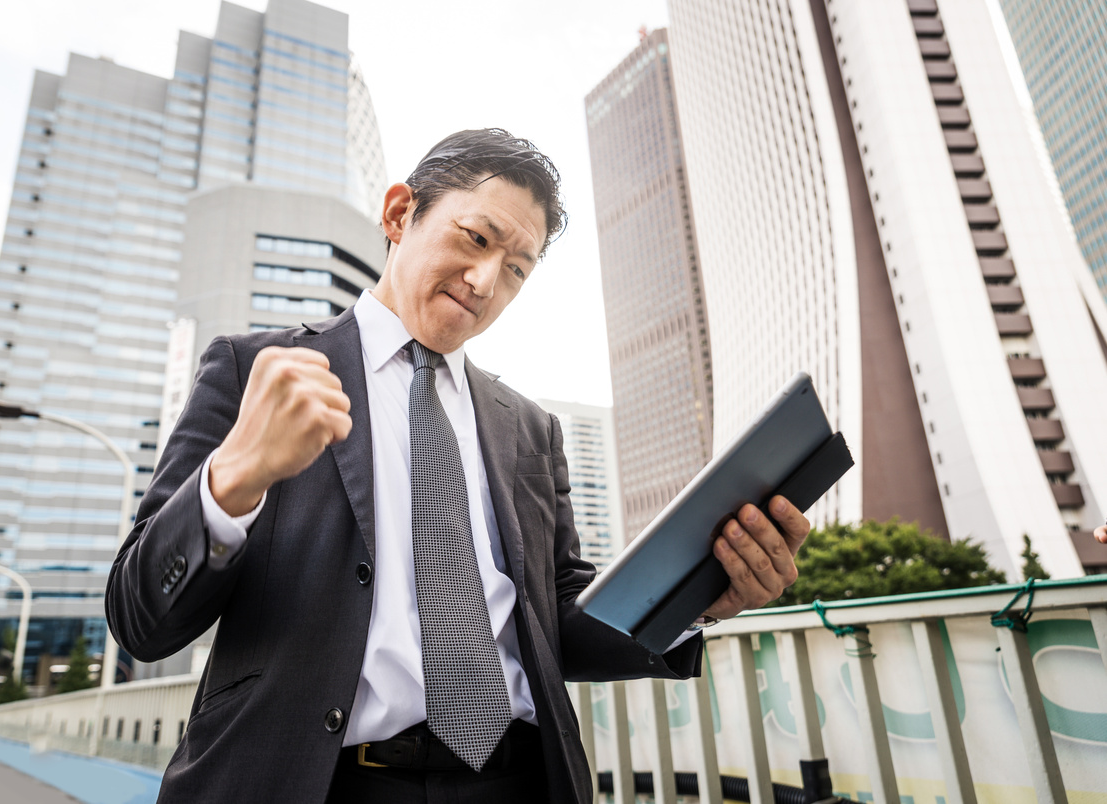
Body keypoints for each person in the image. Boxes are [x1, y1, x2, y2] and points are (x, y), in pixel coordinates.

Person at [106, 129, 810, 803]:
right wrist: (234, 479)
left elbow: (556, 619)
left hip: (519, 780)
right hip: (313, 782)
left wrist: (698, 600)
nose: (484, 281)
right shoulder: (258, 371)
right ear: (399, 213)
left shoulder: (530, 429)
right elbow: (140, 619)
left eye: (515, 269)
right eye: (475, 239)